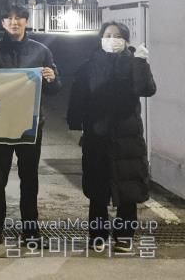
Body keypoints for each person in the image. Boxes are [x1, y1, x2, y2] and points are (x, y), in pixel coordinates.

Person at [0, 4, 61, 250]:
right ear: (2, 23)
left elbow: (55, 88)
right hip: (0, 122)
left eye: (19, 18)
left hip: (30, 124)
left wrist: (52, 78)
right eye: (9, 18)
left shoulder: (40, 50)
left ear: (26, 22)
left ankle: (31, 232)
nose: (14, 22)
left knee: (29, 179)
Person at [67, 21, 156, 252]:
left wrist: (141, 63)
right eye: (107, 35)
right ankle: (97, 234)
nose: (112, 39)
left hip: (127, 135)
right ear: (100, 38)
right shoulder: (89, 65)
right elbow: (78, 96)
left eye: (117, 36)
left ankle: (124, 236)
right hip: (97, 135)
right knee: (97, 188)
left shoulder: (133, 62)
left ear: (125, 40)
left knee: (128, 188)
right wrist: (75, 123)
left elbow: (146, 89)